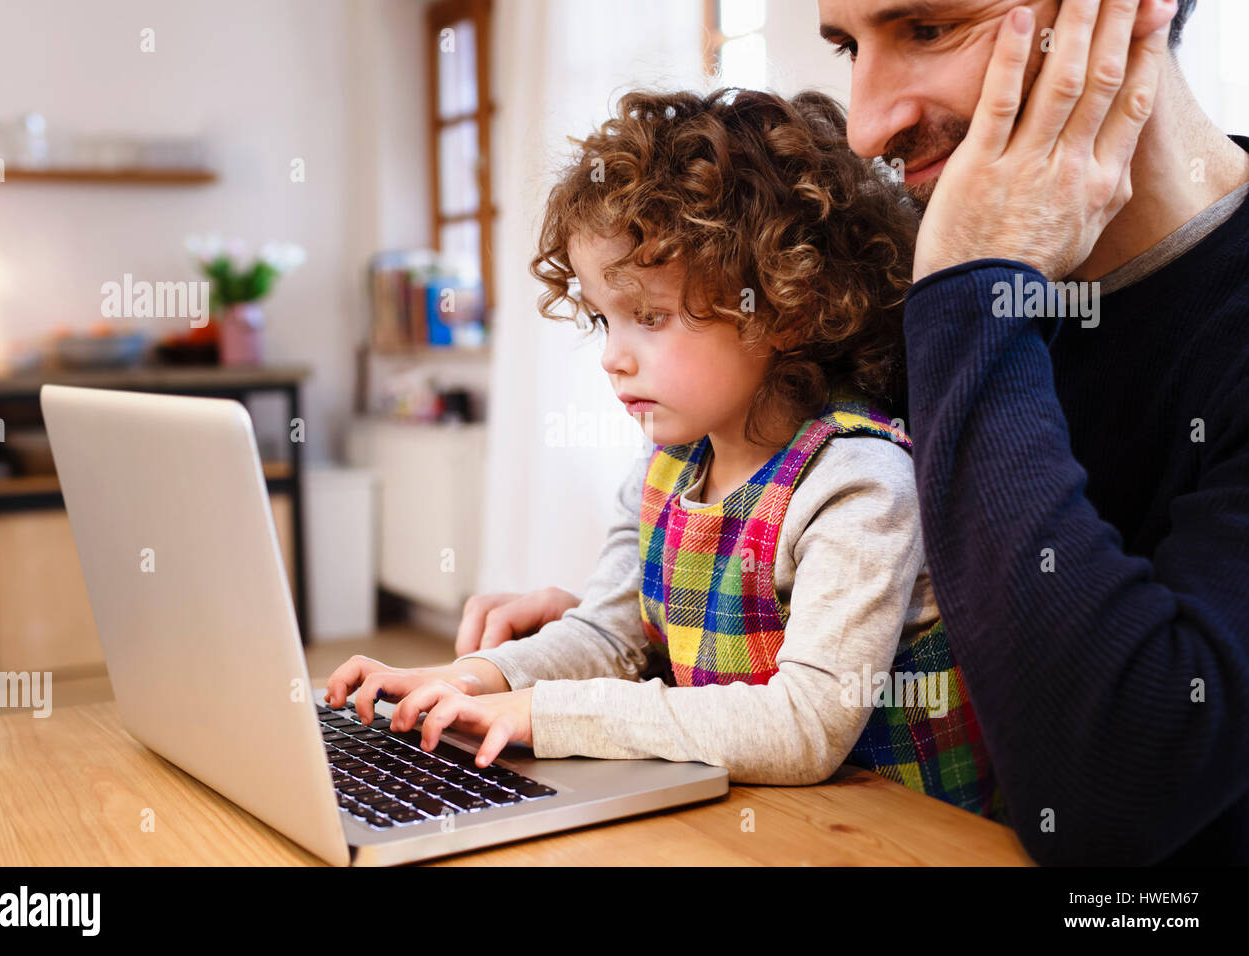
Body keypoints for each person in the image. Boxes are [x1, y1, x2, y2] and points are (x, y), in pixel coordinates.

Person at [460, 0, 1249, 865]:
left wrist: (978, 291)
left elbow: (1113, 795)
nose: (868, 128)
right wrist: (635, 638)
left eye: (929, 28)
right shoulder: (890, 295)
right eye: (847, 43)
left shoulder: (952, 294)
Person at [326, 87, 1003, 815]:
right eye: (603, 319)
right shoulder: (666, 468)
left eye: (649, 316)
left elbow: (806, 726)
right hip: (752, 820)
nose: (613, 358)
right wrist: (475, 678)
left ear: (784, 305)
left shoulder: (858, 483)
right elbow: (607, 634)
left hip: (888, 837)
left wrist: (544, 715)